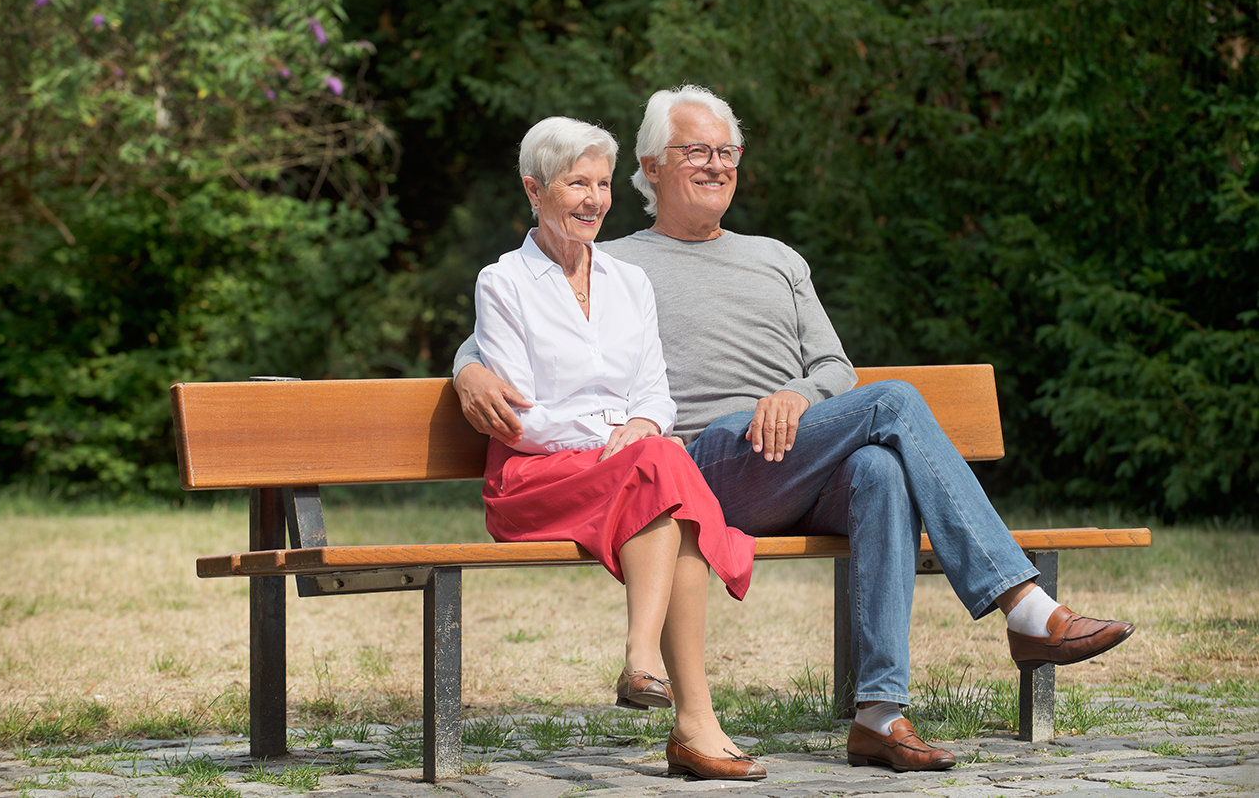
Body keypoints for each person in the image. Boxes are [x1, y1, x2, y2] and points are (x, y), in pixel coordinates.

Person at [455, 87, 1135, 774]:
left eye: (727, 152)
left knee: (879, 471)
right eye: (696, 151)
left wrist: (795, 395)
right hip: (702, 462)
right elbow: (519, 326)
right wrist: (466, 370)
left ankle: (877, 715)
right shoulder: (618, 258)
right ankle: (1021, 604)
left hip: (798, 454)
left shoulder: (777, 258)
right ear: (650, 166)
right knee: (894, 401)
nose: (716, 164)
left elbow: (835, 368)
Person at [472, 115, 766, 782]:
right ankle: (666, 686)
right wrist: (613, 436)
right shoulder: (503, 283)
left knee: (661, 467)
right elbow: (520, 419)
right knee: (666, 472)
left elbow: (655, 396)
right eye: (576, 183)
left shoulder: (629, 282)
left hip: (626, 473)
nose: (593, 199)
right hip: (534, 477)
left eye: (602, 184)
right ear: (534, 189)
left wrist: (636, 431)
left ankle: (665, 685)